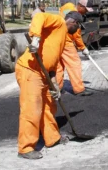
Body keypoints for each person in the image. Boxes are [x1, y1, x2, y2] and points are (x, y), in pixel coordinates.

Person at [15, 11, 83, 160]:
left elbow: (52, 63)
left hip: (44, 73)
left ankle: (52, 138)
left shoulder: (62, 37)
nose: (77, 31)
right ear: (74, 23)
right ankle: (25, 148)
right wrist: (36, 39)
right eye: (78, 28)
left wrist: (55, 86)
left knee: (49, 105)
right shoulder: (58, 21)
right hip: (30, 69)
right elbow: (39, 16)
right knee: (32, 109)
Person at [56, 0, 94, 96]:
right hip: (66, 42)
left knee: (59, 66)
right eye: (85, 9)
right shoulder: (75, 16)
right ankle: (79, 89)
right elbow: (76, 35)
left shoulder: (67, 6)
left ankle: (57, 88)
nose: (85, 12)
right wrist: (83, 48)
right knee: (75, 64)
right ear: (80, 6)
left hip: (57, 39)